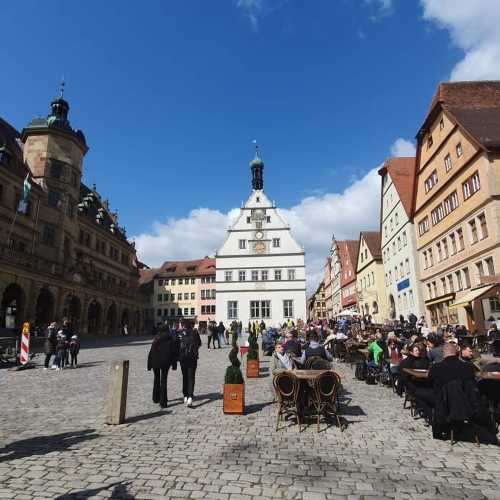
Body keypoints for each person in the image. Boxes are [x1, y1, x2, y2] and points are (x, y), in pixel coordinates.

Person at [414, 343, 477, 434]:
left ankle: (432, 418)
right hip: (465, 402)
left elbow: (429, 382)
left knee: (418, 393)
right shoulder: (468, 367)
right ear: (457, 353)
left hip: (443, 401)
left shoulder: (437, 367)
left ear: (444, 353)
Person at [147, 327, 179, 408]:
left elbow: (151, 352)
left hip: (155, 362)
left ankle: (155, 398)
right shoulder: (170, 338)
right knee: (164, 381)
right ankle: (163, 402)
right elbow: (173, 353)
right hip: (165, 362)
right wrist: (174, 365)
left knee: (156, 379)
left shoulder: (156, 338)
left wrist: (149, 364)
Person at [178, 324, 202, 407]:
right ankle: (190, 397)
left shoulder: (181, 333)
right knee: (191, 377)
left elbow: (177, 345)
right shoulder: (195, 333)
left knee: (185, 377)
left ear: (184, 326)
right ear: (192, 326)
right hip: (192, 358)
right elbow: (199, 343)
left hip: (183, 358)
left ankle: (185, 396)